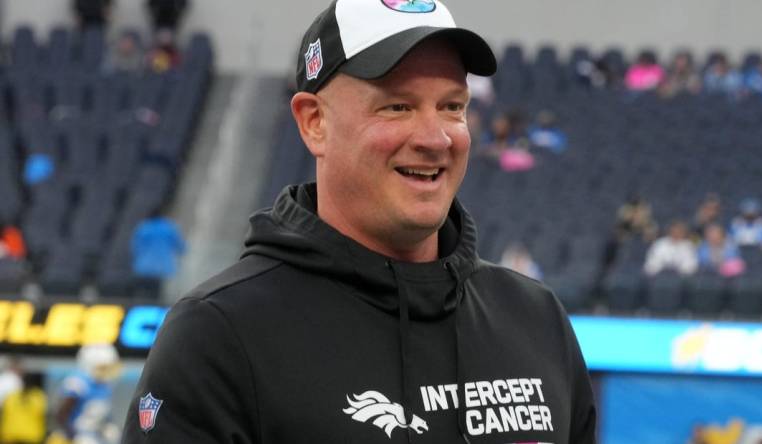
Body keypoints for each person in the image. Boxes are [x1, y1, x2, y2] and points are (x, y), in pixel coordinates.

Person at [122, 1, 597, 443]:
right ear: (314, 122)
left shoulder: (536, 319)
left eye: (452, 106)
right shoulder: (220, 334)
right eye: (398, 106)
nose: (435, 138)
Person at [53, 344, 122, 444]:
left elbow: (103, 415)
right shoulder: (77, 382)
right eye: (102, 368)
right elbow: (61, 413)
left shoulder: (106, 385)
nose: (106, 372)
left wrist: (106, 427)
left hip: (95, 434)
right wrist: (71, 435)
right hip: (79, 435)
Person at [0, 372, 47, 444]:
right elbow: (43, 415)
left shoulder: (11, 396)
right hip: (32, 435)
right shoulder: (38, 397)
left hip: (11, 434)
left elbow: (3, 413)